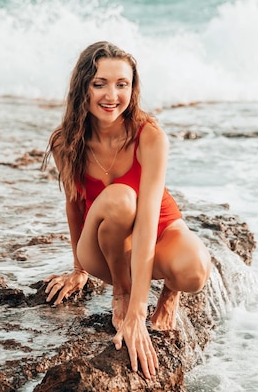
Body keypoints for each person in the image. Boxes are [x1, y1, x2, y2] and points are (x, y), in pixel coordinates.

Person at [42, 41, 211, 379]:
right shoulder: (65, 141)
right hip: (104, 250)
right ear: (83, 87)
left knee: (194, 271)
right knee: (120, 199)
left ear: (133, 89)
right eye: (99, 83)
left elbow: (148, 219)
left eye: (122, 84)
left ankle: (169, 294)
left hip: (158, 230)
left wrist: (139, 312)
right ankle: (119, 290)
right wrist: (79, 270)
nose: (111, 95)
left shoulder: (149, 135)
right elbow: (75, 205)